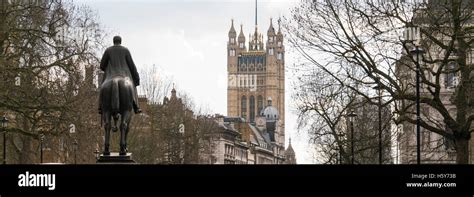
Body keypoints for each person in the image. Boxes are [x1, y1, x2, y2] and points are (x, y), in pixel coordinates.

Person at [98, 36, 142, 114]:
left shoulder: (108, 50)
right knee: (132, 86)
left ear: (113, 41)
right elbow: (132, 66)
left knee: (102, 87)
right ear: (120, 42)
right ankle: (136, 106)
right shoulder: (125, 50)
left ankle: (100, 105)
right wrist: (136, 79)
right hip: (124, 75)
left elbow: (102, 66)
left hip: (110, 75)